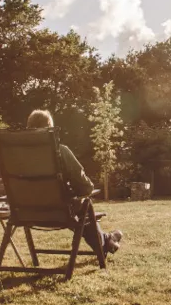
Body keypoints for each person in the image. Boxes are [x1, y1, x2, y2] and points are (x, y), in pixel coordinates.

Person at [26, 109, 123, 254]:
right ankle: (106, 240)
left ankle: (106, 240)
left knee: (77, 210)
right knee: (81, 208)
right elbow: (86, 187)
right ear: (50, 130)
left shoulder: (17, 156)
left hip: (27, 212)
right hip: (58, 212)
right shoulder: (60, 152)